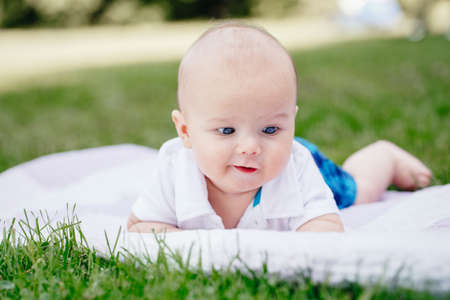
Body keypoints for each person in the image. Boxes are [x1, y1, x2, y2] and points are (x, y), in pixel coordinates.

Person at [127, 22, 432, 233]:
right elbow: (139, 226)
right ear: (185, 132)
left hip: (303, 168)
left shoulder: (297, 166)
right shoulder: (174, 168)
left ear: (291, 121)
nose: (250, 147)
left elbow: (326, 228)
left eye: (270, 129)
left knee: (359, 191)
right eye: (227, 131)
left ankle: (383, 156)